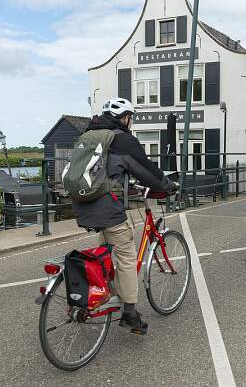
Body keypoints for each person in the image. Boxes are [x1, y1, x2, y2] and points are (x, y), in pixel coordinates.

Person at [71, 97, 177, 335]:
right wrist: (168, 185)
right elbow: (147, 170)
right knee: (127, 257)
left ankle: (103, 291)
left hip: (82, 203)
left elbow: (105, 172)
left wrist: (125, 186)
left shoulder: (90, 136)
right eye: (130, 118)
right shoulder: (123, 139)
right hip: (107, 208)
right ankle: (129, 313)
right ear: (126, 118)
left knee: (105, 252)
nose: (130, 122)